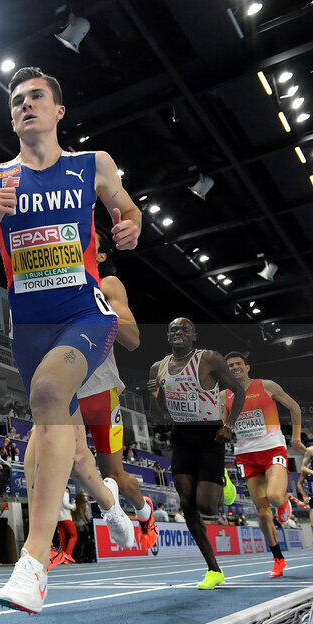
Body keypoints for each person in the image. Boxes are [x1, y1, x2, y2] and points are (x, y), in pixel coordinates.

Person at [0, 66, 141, 613]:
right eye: (17, 101)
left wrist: (130, 225)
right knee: (67, 447)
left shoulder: (91, 165)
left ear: (58, 112)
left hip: (85, 312)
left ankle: (33, 561)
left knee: (51, 397)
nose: (25, 105)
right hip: (29, 327)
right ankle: (110, 507)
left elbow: (127, 208)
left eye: (37, 97)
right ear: (12, 119)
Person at [74, 228, 158, 554]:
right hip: (65, 392)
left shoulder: (107, 285)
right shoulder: (57, 284)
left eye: (87, 242)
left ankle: (145, 511)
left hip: (101, 390)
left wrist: (100, 307)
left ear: (101, 256)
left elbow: (134, 339)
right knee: (57, 462)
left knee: (116, 475)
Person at [148, 317, 245, 590]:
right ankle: (213, 570)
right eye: (173, 329)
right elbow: (159, 416)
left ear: (195, 336)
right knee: (186, 503)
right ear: (168, 337)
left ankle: (223, 479)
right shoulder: (159, 368)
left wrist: (229, 425)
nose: (178, 332)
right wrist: (153, 396)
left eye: (184, 329)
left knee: (207, 507)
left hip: (212, 435)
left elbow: (238, 391)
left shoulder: (210, 359)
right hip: (181, 436)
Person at [222, 351, 306, 578]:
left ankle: (285, 502)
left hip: (272, 450)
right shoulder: (224, 396)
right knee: (262, 512)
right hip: (246, 456)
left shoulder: (266, 386)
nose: (234, 367)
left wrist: (296, 438)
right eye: (230, 365)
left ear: (247, 367)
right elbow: (223, 428)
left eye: (238, 363)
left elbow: (294, 407)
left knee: (276, 497)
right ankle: (278, 558)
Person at [53, 487, 78, 569]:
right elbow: (66, 505)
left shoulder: (56, 495)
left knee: (62, 538)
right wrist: (73, 507)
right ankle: (68, 554)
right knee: (74, 536)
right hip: (66, 518)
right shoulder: (64, 494)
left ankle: (63, 557)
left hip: (59, 519)